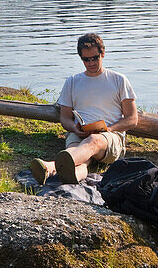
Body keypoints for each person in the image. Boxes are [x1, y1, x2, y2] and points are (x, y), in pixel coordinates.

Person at [31, 32, 138, 184]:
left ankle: (50, 166)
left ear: (103, 53)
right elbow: (65, 118)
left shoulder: (119, 80)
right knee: (76, 154)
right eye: (86, 59)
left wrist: (109, 129)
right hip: (81, 133)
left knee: (93, 140)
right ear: (81, 58)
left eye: (95, 58)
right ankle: (72, 175)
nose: (91, 63)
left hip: (110, 137)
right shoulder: (73, 81)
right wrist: (75, 129)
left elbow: (132, 119)